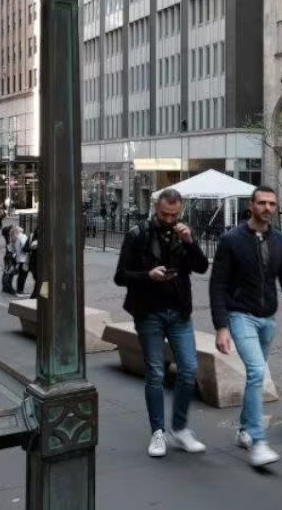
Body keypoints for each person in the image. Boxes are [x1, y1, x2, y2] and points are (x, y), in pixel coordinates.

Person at [210, 185, 282, 468]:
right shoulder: (231, 240)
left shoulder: (280, 241)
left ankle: (243, 430)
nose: (267, 208)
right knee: (256, 372)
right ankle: (259, 441)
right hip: (241, 315)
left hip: (268, 320)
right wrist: (221, 326)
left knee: (255, 376)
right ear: (251, 206)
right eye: (262, 203)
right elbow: (218, 284)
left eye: (272, 204)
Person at [114, 189, 210, 458]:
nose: (169, 219)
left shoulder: (183, 234)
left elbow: (202, 267)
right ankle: (158, 432)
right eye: (164, 214)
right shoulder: (138, 234)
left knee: (189, 369)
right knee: (155, 372)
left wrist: (190, 241)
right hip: (148, 313)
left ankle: (179, 428)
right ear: (156, 207)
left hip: (179, 312)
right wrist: (148, 275)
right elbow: (120, 276)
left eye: (174, 214)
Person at [10, 225, 33, 297]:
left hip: (19, 259)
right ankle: (20, 291)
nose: (20, 227)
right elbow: (25, 247)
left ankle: (19, 290)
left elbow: (13, 250)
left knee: (21, 275)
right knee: (23, 275)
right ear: (18, 230)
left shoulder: (15, 238)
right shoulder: (22, 236)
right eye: (18, 227)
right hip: (24, 259)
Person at [1, 225, 19, 295]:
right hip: (9, 257)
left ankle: (6, 286)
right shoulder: (9, 240)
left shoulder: (8, 238)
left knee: (7, 272)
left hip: (8, 257)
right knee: (9, 272)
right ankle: (7, 287)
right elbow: (11, 249)